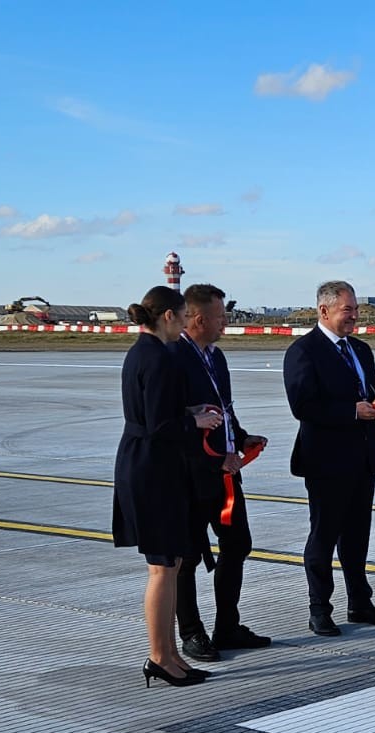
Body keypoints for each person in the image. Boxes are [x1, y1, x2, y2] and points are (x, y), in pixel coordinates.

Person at [112, 285, 222, 687]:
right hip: (153, 469)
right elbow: (160, 426)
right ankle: (159, 656)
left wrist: (188, 410)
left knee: (170, 564)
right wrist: (195, 421)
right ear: (169, 316)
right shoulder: (158, 357)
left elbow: (153, 413)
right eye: (183, 316)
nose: (185, 324)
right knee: (162, 567)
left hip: (148, 464)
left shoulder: (144, 353)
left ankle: (171, 653)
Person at [283, 280, 375, 637]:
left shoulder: (359, 349)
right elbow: (302, 405)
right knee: (324, 536)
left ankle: (360, 603)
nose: (355, 316)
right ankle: (319, 608)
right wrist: (351, 411)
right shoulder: (304, 351)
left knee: (357, 536)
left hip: (362, 457)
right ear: (324, 310)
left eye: (356, 309)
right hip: (326, 461)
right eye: (348, 310)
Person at [172, 284, 270, 660]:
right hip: (190, 477)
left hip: (225, 473)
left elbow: (223, 410)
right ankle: (191, 632)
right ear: (199, 319)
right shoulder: (174, 357)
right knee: (187, 558)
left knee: (237, 544)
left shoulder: (216, 356)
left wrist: (241, 438)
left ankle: (227, 627)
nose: (225, 323)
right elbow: (174, 424)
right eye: (220, 317)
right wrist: (215, 460)